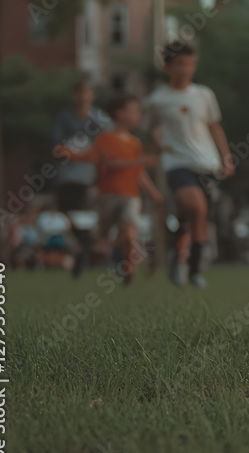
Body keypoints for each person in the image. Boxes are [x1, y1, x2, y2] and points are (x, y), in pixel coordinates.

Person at [142, 41, 235, 289]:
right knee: (196, 205)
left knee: (194, 214)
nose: (186, 69)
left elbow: (214, 126)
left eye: (191, 64)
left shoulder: (204, 95)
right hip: (177, 163)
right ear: (167, 66)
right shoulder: (157, 100)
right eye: (180, 64)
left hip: (207, 163)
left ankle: (184, 263)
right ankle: (193, 270)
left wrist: (226, 157)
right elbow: (152, 129)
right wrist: (159, 143)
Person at [61, 94, 164, 285]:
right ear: (119, 113)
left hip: (131, 195)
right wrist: (71, 154)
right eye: (134, 111)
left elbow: (139, 173)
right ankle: (86, 257)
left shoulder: (135, 143)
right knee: (100, 237)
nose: (138, 115)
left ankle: (128, 271)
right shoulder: (106, 139)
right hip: (108, 195)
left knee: (130, 233)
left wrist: (154, 192)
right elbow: (104, 162)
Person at [52, 80, 112, 277]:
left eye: (85, 92)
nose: (82, 97)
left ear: (91, 95)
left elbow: (107, 148)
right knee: (65, 212)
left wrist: (85, 158)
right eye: (78, 93)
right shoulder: (65, 118)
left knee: (82, 213)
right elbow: (58, 148)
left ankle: (89, 248)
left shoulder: (100, 120)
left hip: (89, 177)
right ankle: (85, 244)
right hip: (67, 175)